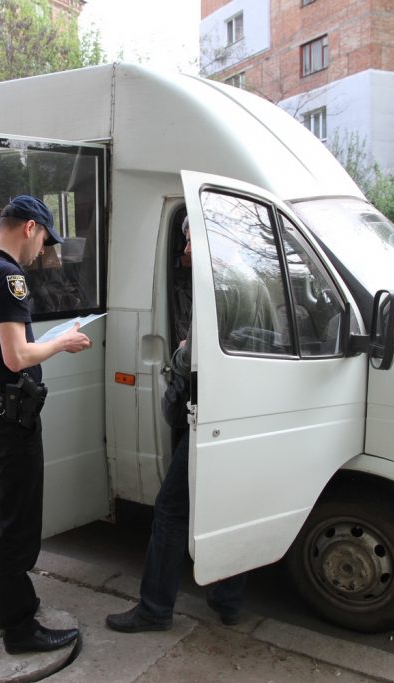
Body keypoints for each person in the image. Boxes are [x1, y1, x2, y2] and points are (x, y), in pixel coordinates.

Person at [0, 195, 93, 655]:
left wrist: (47, 341)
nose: (43, 253)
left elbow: (0, 350)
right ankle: (20, 629)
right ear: (30, 227)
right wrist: (62, 343)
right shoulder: (9, 276)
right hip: (9, 418)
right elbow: (16, 356)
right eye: (45, 241)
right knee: (17, 525)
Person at [106, 217, 246, 634]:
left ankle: (154, 609)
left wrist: (182, 352)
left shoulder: (214, 286)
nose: (184, 251)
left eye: (188, 240)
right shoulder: (248, 278)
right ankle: (228, 599)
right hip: (243, 407)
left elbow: (199, 356)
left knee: (169, 510)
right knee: (229, 507)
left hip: (211, 412)